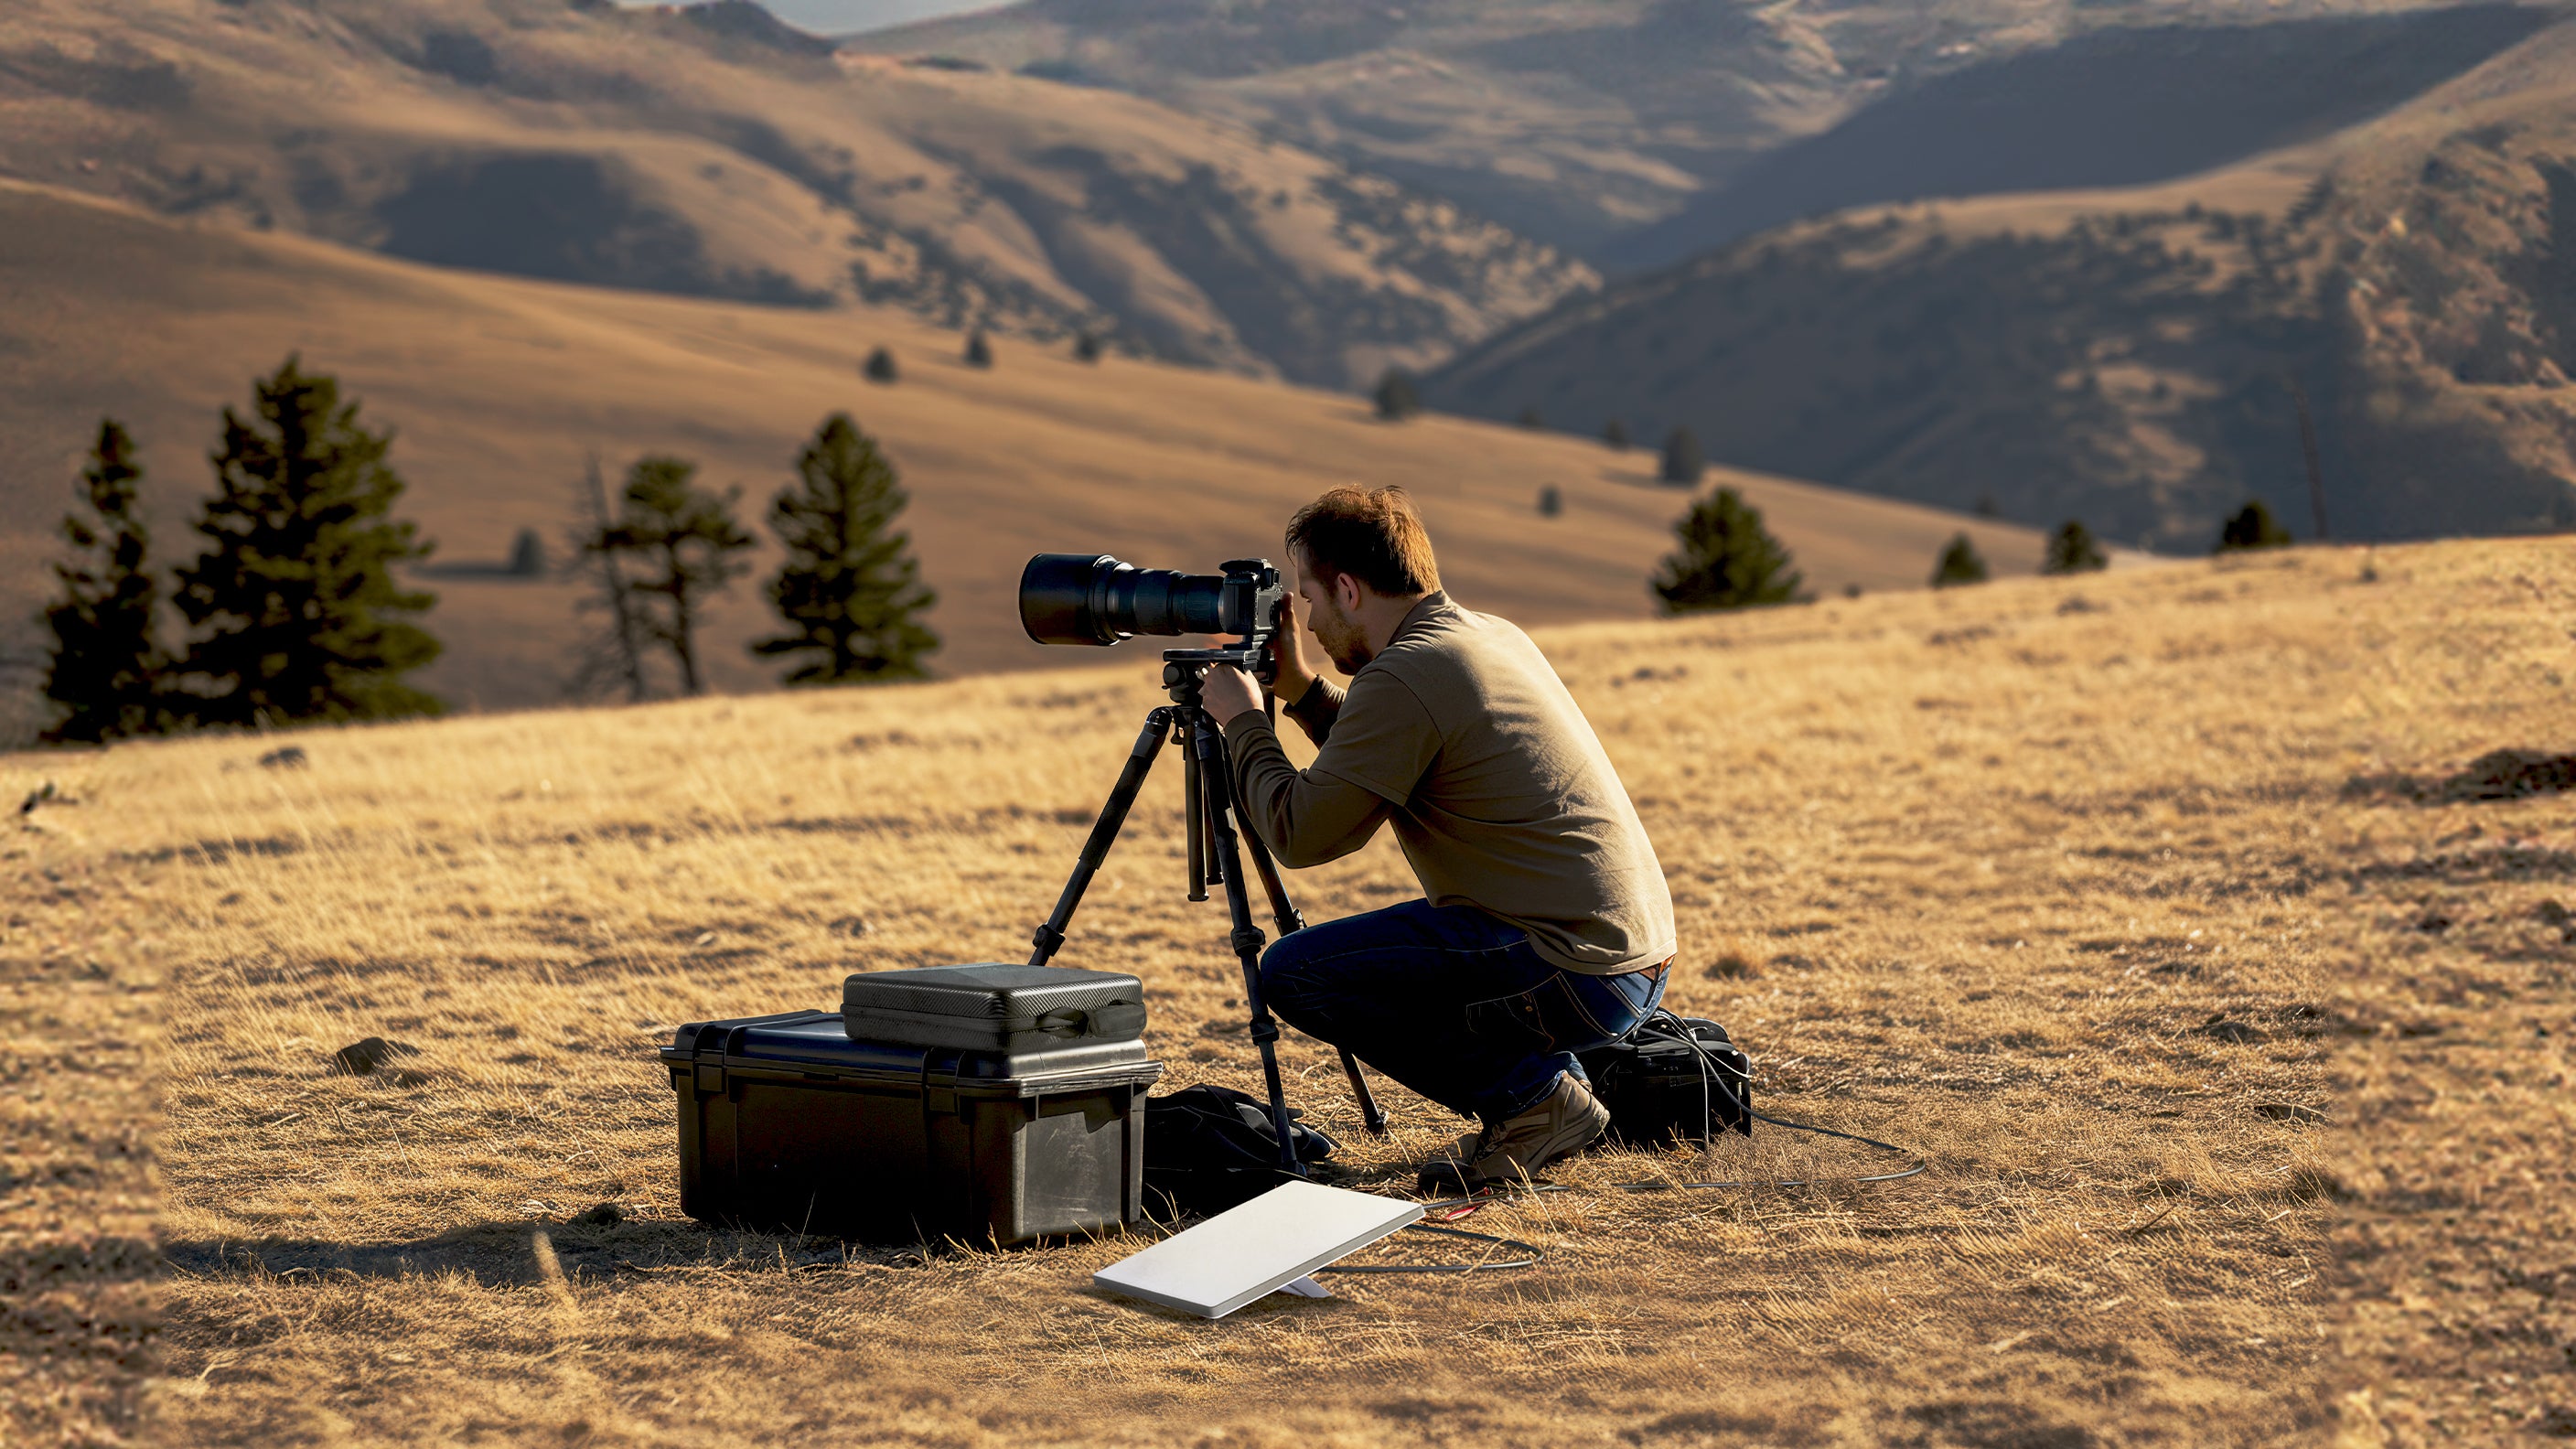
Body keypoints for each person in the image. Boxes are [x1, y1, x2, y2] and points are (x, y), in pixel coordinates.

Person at [1198, 486, 1676, 1190]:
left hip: (1569, 972)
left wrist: (1243, 722)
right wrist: (1300, 688)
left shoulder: (1405, 673)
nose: (1311, 621)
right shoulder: (1485, 634)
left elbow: (1299, 835)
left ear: (1349, 590)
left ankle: (1536, 1101)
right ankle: (1555, 1089)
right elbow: (1387, 746)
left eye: (1311, 597)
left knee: (1297, 973)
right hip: (1629, 962)